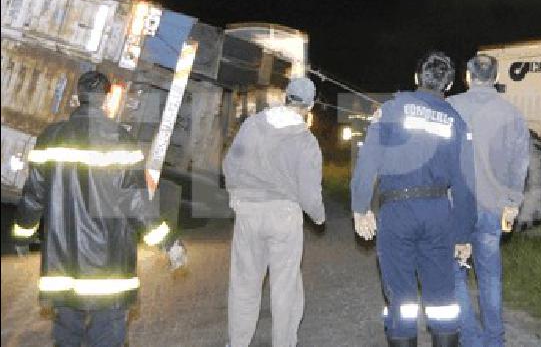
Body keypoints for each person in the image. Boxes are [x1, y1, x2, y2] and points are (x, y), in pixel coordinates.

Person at [11, 70, 186, 347]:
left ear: (78, 98)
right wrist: (169, 243)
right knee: (107, 337)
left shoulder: (50, 138)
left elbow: (33, 196)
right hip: (109, 266)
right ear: (107, 100)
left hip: (62, 263)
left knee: (67, 337)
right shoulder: (121, 141)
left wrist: (22, 236)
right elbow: (137, 204)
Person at [350, 51, 477, 347]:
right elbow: (465, 184)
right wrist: (463, 234)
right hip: (437, 214)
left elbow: (367, 162)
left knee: (401, 302)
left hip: (397, 212)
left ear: (416, 77)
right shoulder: (456, 122)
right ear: (448, 86)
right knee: (443, 301)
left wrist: (360, 208)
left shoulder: (391, 110)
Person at [223, 76, 325, 347]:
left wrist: (236, 196)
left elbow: (230, 164)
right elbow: (309, 191)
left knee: (244, 284)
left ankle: (238, 343)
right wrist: (318, 215)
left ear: (285, 97)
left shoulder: (253, 125)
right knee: (285, 287)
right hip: (285, 217)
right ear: (310, 105)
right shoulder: (306, 140)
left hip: (248, 213)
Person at [447, 54, 530, 347]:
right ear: (494, 77)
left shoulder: (451, 108)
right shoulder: (512, 114)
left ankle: (469, 337)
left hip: (456, 209)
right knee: (490, 276)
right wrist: (512, 203)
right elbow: (520, 164)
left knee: (455, 275)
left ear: (467, 76)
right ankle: (494, 339)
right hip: (493, 209)